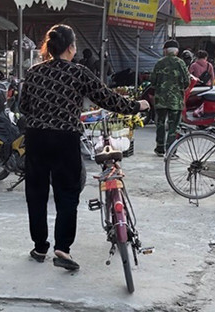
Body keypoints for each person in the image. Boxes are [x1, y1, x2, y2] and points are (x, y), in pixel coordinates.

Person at [18, 24, 149, 271]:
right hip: (64, 139)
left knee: (35, 193)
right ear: (71, 48)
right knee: (66, 193)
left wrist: (43, 113)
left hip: (36, 138)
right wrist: (137, 106)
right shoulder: (78, 73)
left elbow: (23, 106)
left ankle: (39, 246)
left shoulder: (34, 73)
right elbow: (108, 98)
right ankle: (62, 249)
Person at [151, 39, 190, 157]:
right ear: (177, 51)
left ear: (165, 51)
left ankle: (160, 148)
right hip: (175, 100)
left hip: (160, 100)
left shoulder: (159, 63)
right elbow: (187, 82)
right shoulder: (181, 63)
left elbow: (152, 82)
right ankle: (171, 151)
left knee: (160, 124)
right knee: (174, 126)